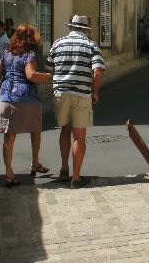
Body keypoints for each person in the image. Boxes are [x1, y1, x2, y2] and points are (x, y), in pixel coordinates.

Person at [46, 15, 105, 189]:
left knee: (65, 130)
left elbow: (49, 69)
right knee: (79, 137)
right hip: (81, 94)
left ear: (71, 27)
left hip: (61, 93)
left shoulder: (58, 43)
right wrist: (95, 91)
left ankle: (64, 169)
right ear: (86, 29)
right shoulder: (91, 45)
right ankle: (76, 177)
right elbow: (98, 71)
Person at [0, 23, 53, 188]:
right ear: (30, 37)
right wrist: (50, 76)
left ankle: (9, 173)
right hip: (26, 97)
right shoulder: (29, 54)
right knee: (36, 130)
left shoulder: (6, 52)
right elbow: (31, 75)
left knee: (9, 136)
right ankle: (34, 162)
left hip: (6, 97)